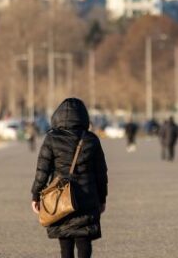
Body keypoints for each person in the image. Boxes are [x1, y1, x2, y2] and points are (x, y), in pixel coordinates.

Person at [30, 98, 108, 258]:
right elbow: (101, 173)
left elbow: (42, 171)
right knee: (84, 242)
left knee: (65, 245)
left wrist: (35, 195)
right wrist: (102, 198)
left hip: (60, 197)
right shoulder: (91, 139)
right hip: (87, 197)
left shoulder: (51, 139)